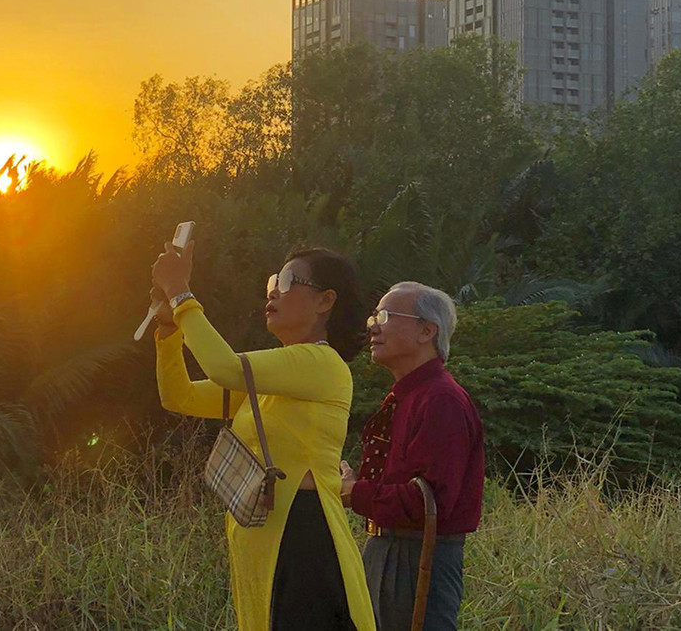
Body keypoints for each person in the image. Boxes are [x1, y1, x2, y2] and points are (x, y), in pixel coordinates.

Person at [151, 241, 375, 631]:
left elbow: (223, 367)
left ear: (325, 301)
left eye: (287, 281)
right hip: (268, 536)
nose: (273, 292)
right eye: (273, 281)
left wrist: (180, 293)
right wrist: (169, 330)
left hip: (303, 537)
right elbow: (180, 396)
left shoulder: (322, 363)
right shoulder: (273, 379)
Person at [340, 281, 485, 631]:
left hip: (417, 556)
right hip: (388, 547)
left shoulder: (440, 400)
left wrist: (354, 492)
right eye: (374, 317)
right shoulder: (409, 395)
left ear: (426, 331)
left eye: (386, 316)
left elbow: (429, 502)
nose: (373, 327)